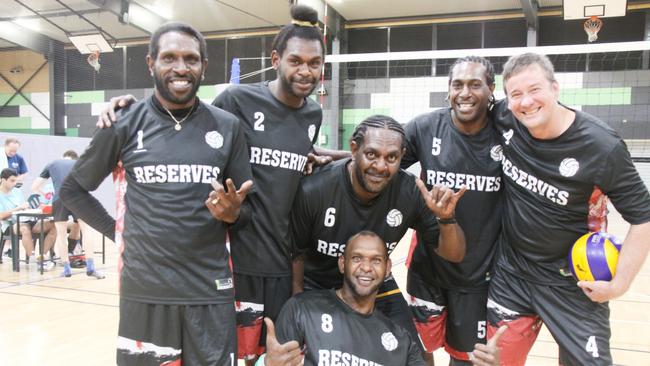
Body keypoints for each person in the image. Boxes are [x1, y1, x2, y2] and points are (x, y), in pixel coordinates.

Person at [95, 5, 348, 364]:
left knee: (276, 356)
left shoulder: (312, 114)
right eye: (296, 61)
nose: (305, 71)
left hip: (280, 261)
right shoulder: (236, 100)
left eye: (314, 63)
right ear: (276, 60)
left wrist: (338, 155)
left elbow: (294, 154)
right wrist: (134, 112)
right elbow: (187, 122)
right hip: (232, 262)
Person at [60, 21, 254, 365]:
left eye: (191, 59)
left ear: (204, 66)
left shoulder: (228, 126)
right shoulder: (123, 122)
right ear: (151, 63)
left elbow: (246, 211)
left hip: (209, 292)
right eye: (169, 58)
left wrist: (233, 214)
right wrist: (118, 231)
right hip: (144, 291)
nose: (181, 68)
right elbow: (72, 189)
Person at [487, 52, 650, 365]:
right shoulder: (506, 119)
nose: (526, 102)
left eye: (535, 90)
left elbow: (643, 218)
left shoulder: (602, 146)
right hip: (512, 275)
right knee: (494, 362)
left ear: (555, 89)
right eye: (516, 94)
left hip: (574, 284)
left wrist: (619, 285)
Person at [290, 114, 466, 352]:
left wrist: (446, 219)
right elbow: (296, 255)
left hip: (373, 285)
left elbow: (454, 255)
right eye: (372, 154)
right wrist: (298, 311)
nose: (381, 166)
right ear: (354, 149)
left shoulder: (411, 192)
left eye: (391, 157)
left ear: (402, 156)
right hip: (317, 285)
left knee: (414, 353)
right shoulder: (315, 189)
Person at [262, 231, 505, 366]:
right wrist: (266, 365)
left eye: (375, 260)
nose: (366, 267)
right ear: (342, 263)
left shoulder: (400, 340)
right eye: (357, 258)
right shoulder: (303, 309)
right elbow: (278, 361)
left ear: (388, 267)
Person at [400, 56, 503, 365]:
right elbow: (383, 160)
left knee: (466, 358)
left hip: (478, 276)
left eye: (475, 84)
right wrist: (329, 158)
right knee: (420, 350)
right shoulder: (426, 126)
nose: (465, 93)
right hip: (427, 269)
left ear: (491, 90)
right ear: (448, 90)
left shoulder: (506, 134)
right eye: (457, 84)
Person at [32, 150, 104, 279]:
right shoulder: (80, 163)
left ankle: (66, 269)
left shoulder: (52, 163)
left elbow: (35, 187)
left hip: (59, 198)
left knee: (61, 234)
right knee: (87, 230)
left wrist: (44, 194)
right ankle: (91, 267)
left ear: (63, 157)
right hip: (78, 198)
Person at [0, 168, 55, 269]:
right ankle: (33, 258)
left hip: (28, 220)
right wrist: (17, 209)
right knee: (24, 228)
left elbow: (24, 208)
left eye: (16, 181)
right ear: (3, 180)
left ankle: (42, 257)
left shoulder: (17, 192)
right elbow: (1, 216)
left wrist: (32, 208)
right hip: (10, 225)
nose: (14, 183)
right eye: (12, 181)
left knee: (53, 225)